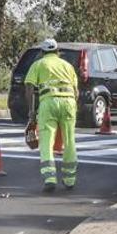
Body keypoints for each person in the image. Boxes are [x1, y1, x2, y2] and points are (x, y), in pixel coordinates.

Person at [24, 39, 78, 192]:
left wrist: (31, 111)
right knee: (69, 141)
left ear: (42, 52)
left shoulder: (39, 64)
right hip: (69, 102)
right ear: (57, 51)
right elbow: (77, 92)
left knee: (46, 141)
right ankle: (69, 179)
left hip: (48, 102)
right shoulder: (68, 66)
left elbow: (29, 87)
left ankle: (50, 178)